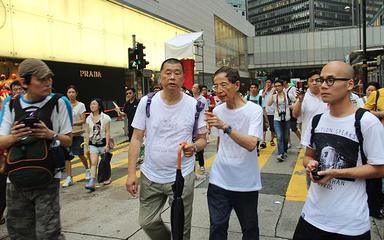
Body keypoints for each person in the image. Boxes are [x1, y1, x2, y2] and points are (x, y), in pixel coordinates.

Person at [293, 61, 384, 240]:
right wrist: (310, 164)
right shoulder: (317, 120)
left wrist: (336, 172)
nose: (324, 86)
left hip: (349, 223)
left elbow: (380, 168)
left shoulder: (366, 122)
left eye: (331, 80)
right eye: (321, 80)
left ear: (350, 84)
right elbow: (308, 156)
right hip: (312, 216)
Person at [126, 58, 207, 240]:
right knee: (146, 222)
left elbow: (203, 140)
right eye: (167, 72)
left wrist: (194, 147)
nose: (172, 77)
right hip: (150, 176)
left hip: (182, 177)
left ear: (183, 78)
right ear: (160, 77)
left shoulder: (195, 106)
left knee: (181, 231)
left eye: (177, 73)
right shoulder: (147, 102)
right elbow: (136, 138)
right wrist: (131, 174)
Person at [0, 58, 72, 239]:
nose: (48, 83)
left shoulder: (59, 102)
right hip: (15, 179)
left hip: (47, 178)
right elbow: (1, 141)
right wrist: (14, 136)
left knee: (48, 233)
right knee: (19, 232)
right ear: (25, 82)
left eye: (49, 78)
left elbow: (68, 141)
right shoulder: (11, 104)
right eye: (41, 79)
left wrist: (49, 134)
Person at [205, 66, 263, 240]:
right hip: (219, 180)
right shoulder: (217, 110)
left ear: (237, 85)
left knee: (250, 229)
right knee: (217, 227)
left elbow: (252, 143)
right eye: (216, 86)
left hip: (245, 183)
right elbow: (220, 142)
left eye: (224, 84)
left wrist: (226, 127)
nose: (219, 90)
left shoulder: (254, 111)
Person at [62, 85, 90, 187]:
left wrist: (71, 123)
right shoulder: (64, 105)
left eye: (73, 92)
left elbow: (83, 120)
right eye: (69, 92)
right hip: (66, 134)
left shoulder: (81, 105)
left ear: (76, 93)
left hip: (77, 133)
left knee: (80, 153)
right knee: (67, 156)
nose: (71, 94)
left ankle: (87, 169)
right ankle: (69, 177)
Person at [85, 98, 111, 191]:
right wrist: (87, 145)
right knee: (93, 163)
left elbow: (107, 132)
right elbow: (87, 133)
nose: (92, 106)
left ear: (99, 106)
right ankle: (92, 181)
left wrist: (107, 144)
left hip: (103, 144)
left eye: (94, 104)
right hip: (93, 144)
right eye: (91, 104)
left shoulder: (106, 118)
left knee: (105, 162)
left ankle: (107, 177)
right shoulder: (88, 118)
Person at [292, 70, 328, 140]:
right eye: (311, 81)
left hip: (326, 137)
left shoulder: (328, 95)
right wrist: (300, 101)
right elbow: (295, 115)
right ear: (308, 83)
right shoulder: (303, 97)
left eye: (317, 80)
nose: (314, 83)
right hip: (309, 138)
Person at [267, 79, 291, 161]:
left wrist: (292, 106)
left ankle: (284, 151)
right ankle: (280, 154)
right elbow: (268, 104)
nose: (277, 87)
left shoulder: (287, 95)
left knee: (285, 137)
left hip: (287, 118)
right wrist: (271, 92)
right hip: (277, 118)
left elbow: (295, 102)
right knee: (279, 136)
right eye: (275, 86)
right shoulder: (274, 96)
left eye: (279, 86)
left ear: (282, 86)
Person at [244, 82, 269, 153]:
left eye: (255, 87)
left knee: (256, 134)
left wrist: (266, 121)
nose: (253, 89)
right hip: (248, 119)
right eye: (251, 88)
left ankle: (256, 148)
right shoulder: (246, 98)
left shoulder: (261, 98)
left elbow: (264, 110)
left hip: (258, 119)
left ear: (257, 89)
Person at [192, 83, 208, 172]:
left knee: (199, 146)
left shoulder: (203, 99)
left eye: (195, 87)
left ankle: (201, 164)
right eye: (192, 87)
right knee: (191, 145)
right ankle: (192, 167)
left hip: (201, 124)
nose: (193, 88)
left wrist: (207, 125)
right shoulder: (190, 99)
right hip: (191, 124)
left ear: (198, 90)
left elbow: (205, 111)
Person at [260, 79, 276, 146]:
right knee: (264, 127)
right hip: (264, 111)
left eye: (269, 82)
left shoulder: (274, 91)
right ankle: (263, 141)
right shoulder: (262, 91)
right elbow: (260, 98)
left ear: (271, 83)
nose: (268, 83)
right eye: (266, 82)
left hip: (272, 112)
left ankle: (272, 140)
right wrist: (265, 90)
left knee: (272, 127)